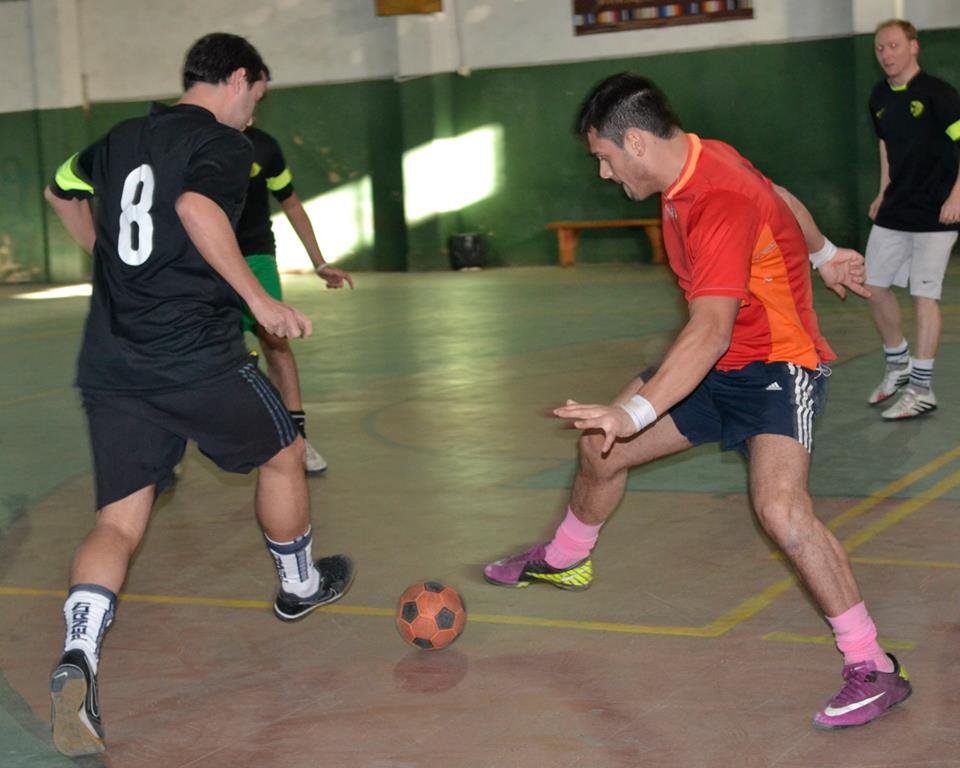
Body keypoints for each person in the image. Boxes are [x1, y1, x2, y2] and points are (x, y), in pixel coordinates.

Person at [484, 73, 910, 730]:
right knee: (600, 450)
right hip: (717, 366)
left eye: (604, 158)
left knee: (781, 511)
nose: (603, 173)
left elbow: (709, 331)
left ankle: (871, 664)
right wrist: (824, 252)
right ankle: (565, 559)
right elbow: (779, 195)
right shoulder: (703, 156)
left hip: (775, 364)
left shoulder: (719, 200)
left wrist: (633, 411)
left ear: (635, 142)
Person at [43, 33, 353, 757]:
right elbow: (194, 207)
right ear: (237, 78)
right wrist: (261, 301)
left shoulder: (120, 137)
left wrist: (107, 256)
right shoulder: (223, 145)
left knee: (119, 521)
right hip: (194, 355)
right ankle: (299, 585)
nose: (254, 113)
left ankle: (79, 653)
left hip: (114, 360)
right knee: (284, 452)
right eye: (257, 97)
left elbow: (60, 190)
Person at [237, 122, 354, 474]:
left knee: (276, 341)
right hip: (205, 258)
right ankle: (172, 448)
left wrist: (320, 263)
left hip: (256, 257)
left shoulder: (265, 147)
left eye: (259, 98)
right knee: (197, 351)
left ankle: (296, 439)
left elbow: (291, 204)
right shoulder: (192, 140)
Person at [864, 18, 960, 419]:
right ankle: (898, 363)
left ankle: (922, 389)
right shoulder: (878, 97)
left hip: (937, 212)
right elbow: (886, 147)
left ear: (913, 47)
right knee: (873, 286)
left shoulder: (939, 94)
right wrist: (883, 191)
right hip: (896, 208)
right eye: (880, 48)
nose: (886, 54)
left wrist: (957, 196)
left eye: (893, 46)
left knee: (924, 295)